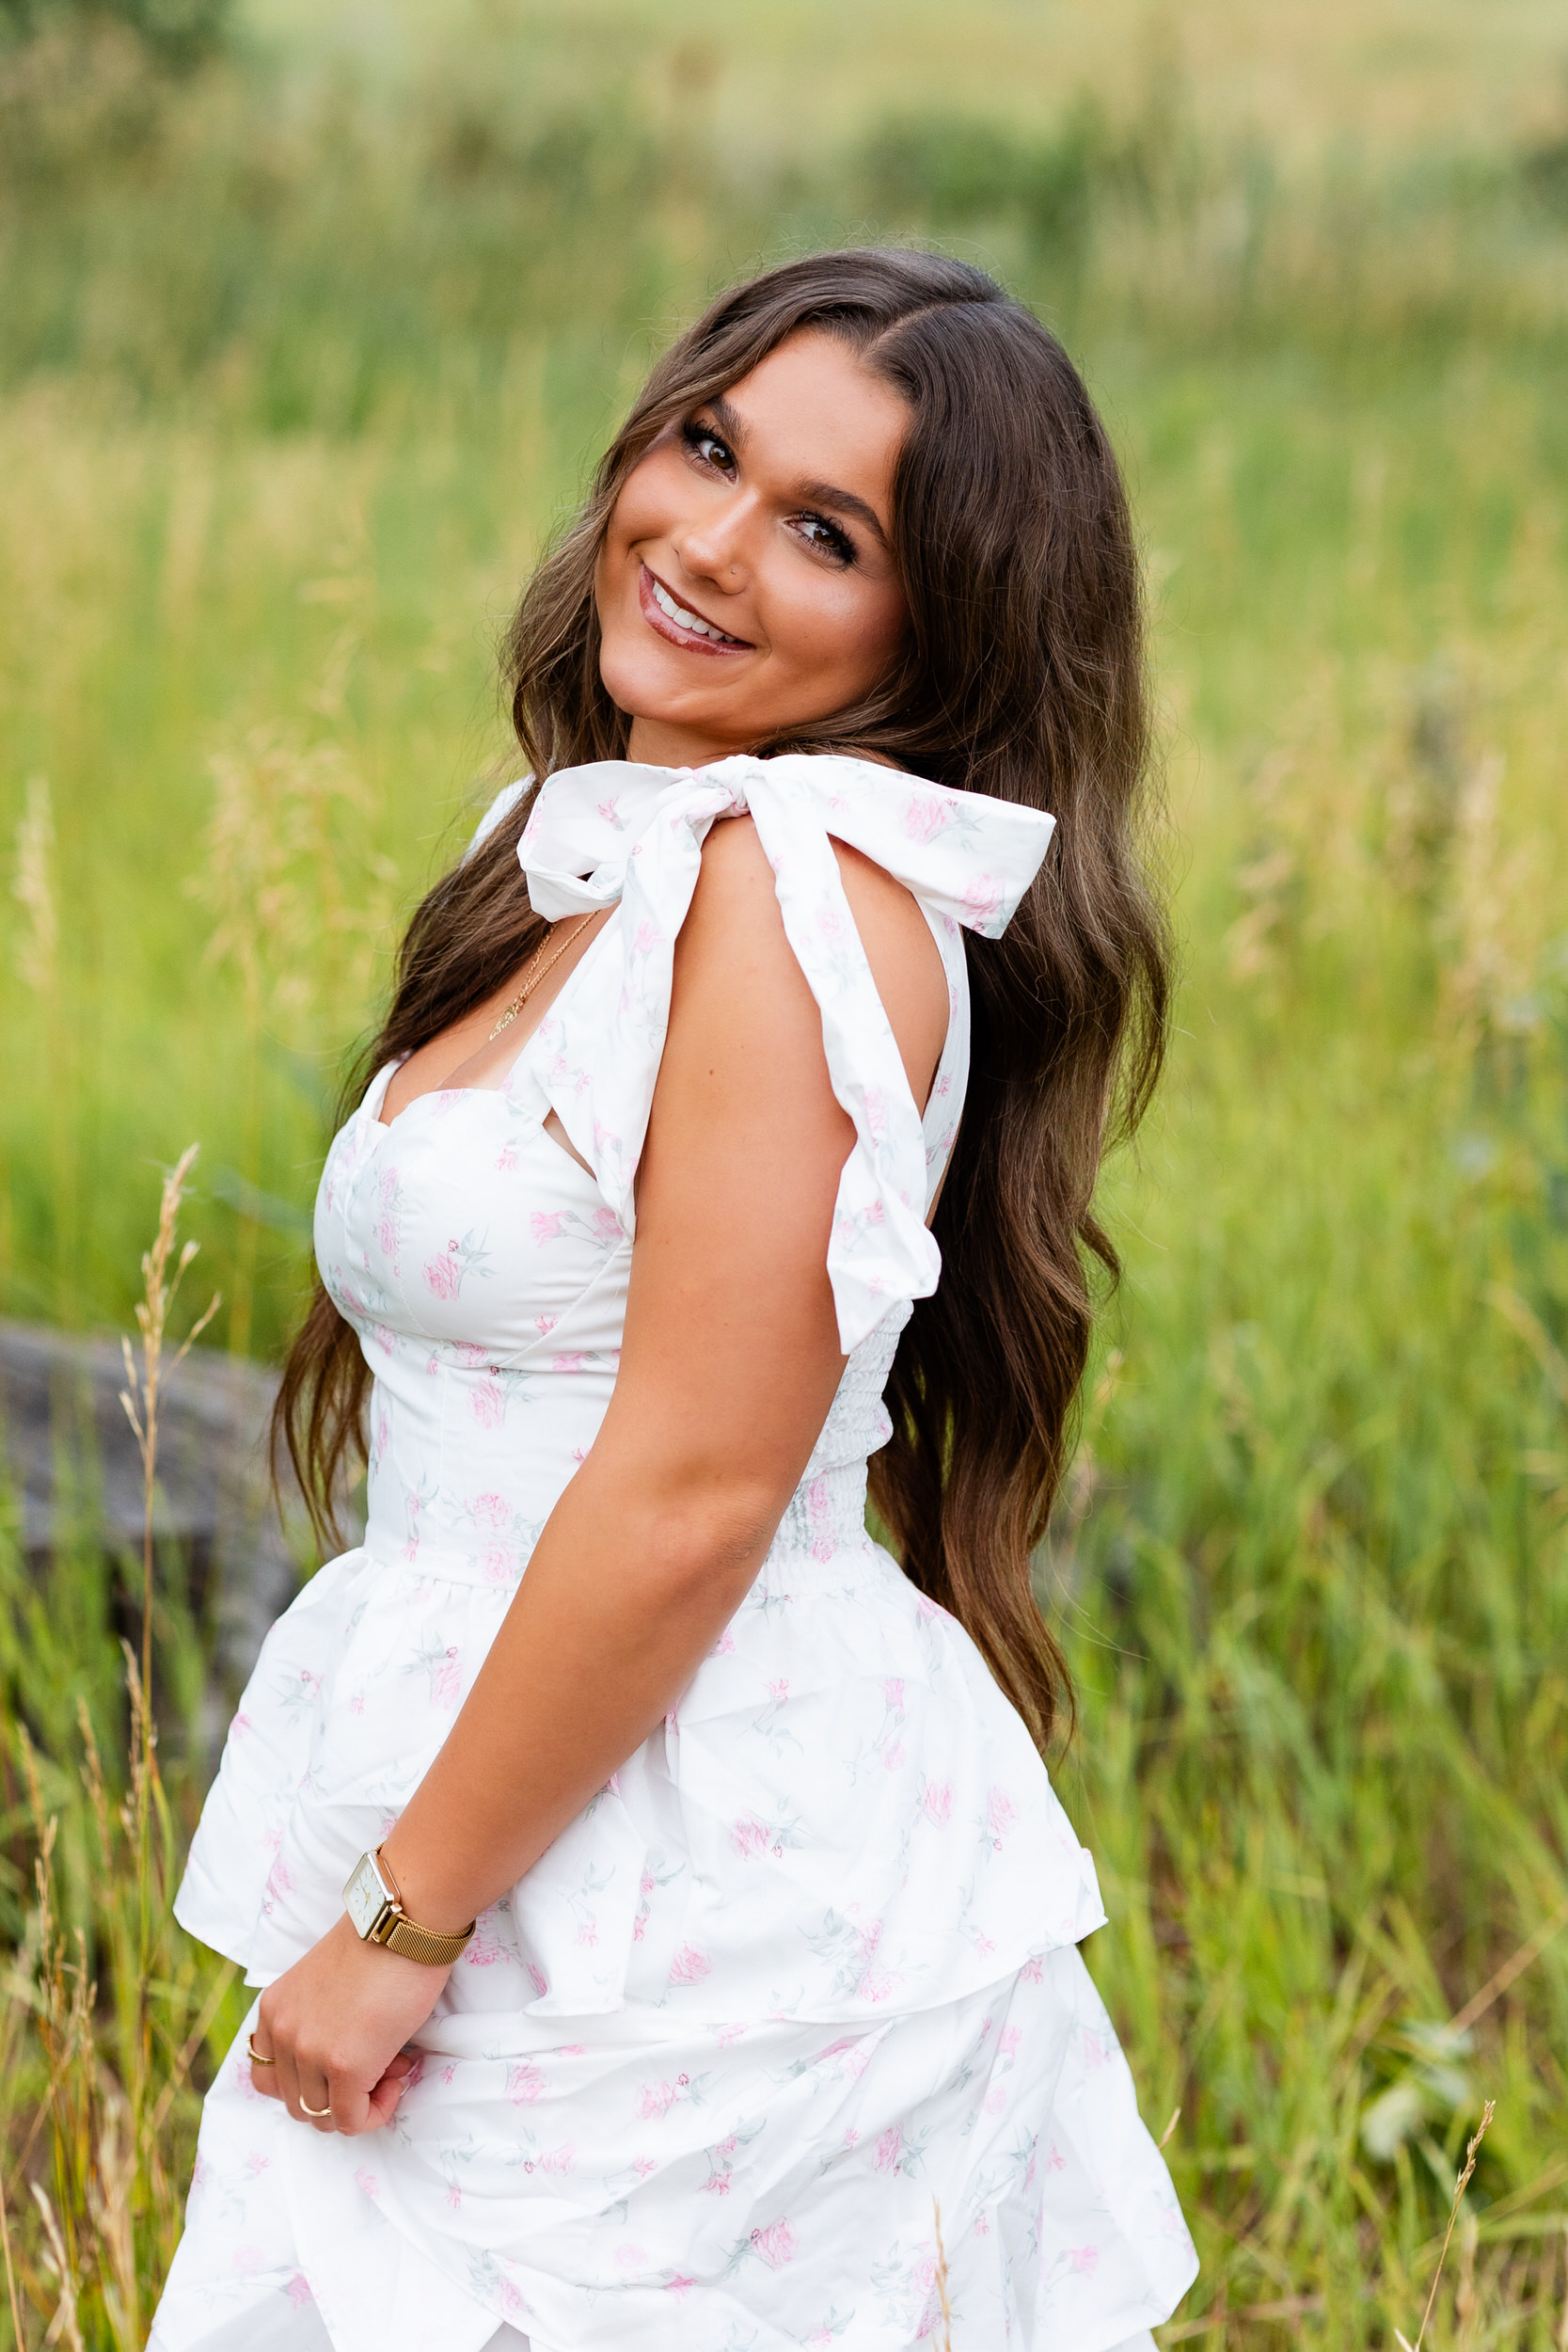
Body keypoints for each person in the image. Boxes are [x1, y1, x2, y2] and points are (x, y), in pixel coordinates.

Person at [150, 248, 1197, 2352]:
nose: (706, 541)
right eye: (707, 443)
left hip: (676, 1885)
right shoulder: (593, 841)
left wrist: (398, 1921)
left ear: (942, 622)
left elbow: (698, 1483)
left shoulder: (794, 893)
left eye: (825, 532)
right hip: (530, 1799)